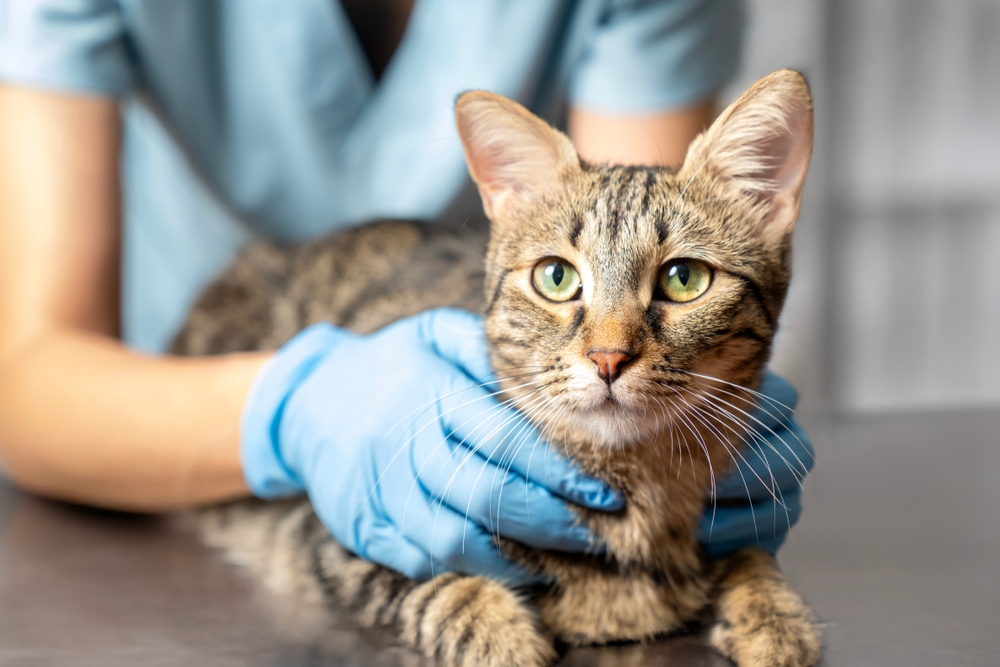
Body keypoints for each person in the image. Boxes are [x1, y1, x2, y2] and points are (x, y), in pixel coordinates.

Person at [0, 0, 812, 584]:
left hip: (490, 391)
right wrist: (297, 408)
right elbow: (27, 376)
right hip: (153, 425)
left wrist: (671, 458)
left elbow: (634, 241)